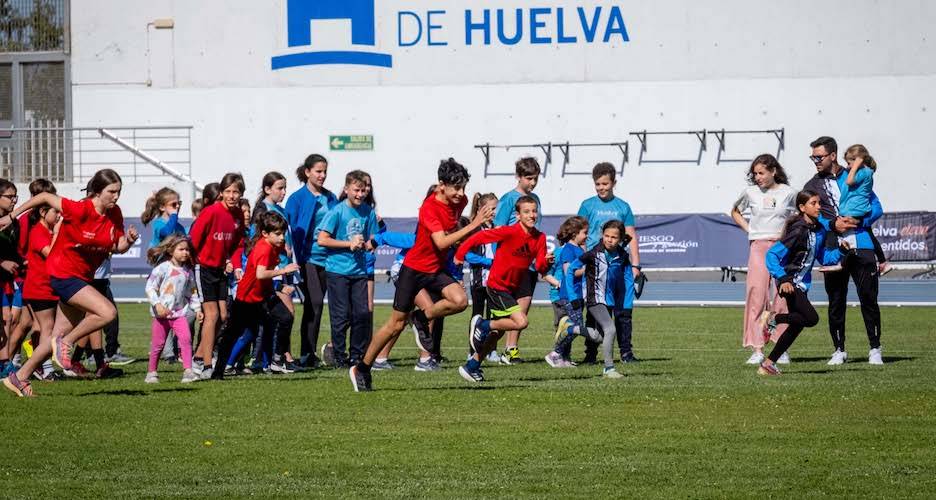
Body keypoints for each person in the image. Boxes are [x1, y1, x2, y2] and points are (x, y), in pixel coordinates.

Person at [349, 158, 494, 392]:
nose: (461, 193)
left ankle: (420, 318)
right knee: (395, 325)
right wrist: (475, 223)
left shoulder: (460, 200)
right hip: (414, 270)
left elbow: (451, 234)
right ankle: (362, 368)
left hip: (435, 269)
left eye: (463, 187)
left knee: (459, 301)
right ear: (441, 185)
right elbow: (441, 240)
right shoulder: (429, 208)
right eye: (456, 187)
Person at [2, 169, 140, 397]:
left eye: (119, 192)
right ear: (97, 192)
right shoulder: (80, 209)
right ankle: (66, 343)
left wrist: (129, 241)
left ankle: (19, 377)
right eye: (111, 191)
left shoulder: (114, 214)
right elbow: (44, 198)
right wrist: (12, 215)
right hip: (63, 274)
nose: (116, 197)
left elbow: (117, 246)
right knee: (107, 312)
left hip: (83, 277)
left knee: (52, 339)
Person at [803, 136, 885, 365]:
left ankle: (875, 348)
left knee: (868, 298)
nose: (815, 161)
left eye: (819, 156)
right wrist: (832, 225)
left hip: (862, 242)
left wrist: (860, 222)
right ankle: (839, 349)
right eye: (813, 157)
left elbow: (877, 207)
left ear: (832, 155)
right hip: (832, 248)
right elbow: (810, 215)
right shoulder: (812, 186)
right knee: (836, 301)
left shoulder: (858, 175)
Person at [455, 195, 553, 383]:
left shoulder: (539, 238)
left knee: (497, 334)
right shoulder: (508, 232)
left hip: (512, 288)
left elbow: (540, 267)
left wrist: (546, 262)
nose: (531, 215)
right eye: (527, 212)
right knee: (521, 322)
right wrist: (460, 254)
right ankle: (482, 324)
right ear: (517, 215)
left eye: (534, 211)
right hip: (497, 286)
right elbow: (479, 238)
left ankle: (472, 366)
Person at [758, 190, 844, 376]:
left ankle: (768, 364)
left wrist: (842, 252)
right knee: (811, 319)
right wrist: (782, 279)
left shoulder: (819, 231)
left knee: (797, 325)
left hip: (802, 284)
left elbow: (824, 257)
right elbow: (772, 255)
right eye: (814, 203)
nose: (819, 207)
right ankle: (774, 318)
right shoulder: (798, 230)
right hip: (790, 283)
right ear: (802, 208)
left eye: (819, 203)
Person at [213, 212, 298, 379]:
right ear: (265, 234)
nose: (282, 237)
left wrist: (279, 286)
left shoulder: (276, 245)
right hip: (247, 299)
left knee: (285, 318)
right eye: (278, 234)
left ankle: (276, 359)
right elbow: (259, 274)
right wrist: (283, 271)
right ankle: (219, 369)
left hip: (264, 295)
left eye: (283, 233)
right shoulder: (264, 248)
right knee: (236, 334)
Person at [730, 154, 797, 365]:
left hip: (782, 247)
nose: (757, 177)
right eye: (755, 174)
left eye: (761, 173)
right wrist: (750, 230)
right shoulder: (750, 192)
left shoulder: (789, 193)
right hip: (758, 247)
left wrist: (790, 233)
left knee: (782, 297)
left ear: (773, 171)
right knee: (756, 295)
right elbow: (734, 211)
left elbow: (799, 213)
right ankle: (757, 348)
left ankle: (780, 347)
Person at [576, 162, 642, 364]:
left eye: (605, 183)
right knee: (596, 308)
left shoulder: (623, 207)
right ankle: (590, 354)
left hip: (619, 265)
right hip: (595, 265)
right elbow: (579, 234)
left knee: (623, 310)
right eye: (598, 184)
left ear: (614, 182)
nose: (601, 188)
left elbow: (631, 235)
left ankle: (626, 353)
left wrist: (635, 265)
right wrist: (584, 259)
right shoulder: (588, 205)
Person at [318, 170, 379, 368]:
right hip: (337, 271)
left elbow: (372, 239)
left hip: (359, 271)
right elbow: (322, 240)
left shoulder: (368, 212)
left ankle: (356, 356)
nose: (360, 194)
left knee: (362, 314)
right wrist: (348, 244)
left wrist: (370, 244)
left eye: (363, 190)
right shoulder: (337, 211)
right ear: (346, 189)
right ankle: (338, 355)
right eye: (356, 190)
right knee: (341, 315)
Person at [189, 173, 246, 379]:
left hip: (221, 270)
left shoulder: (238, 215)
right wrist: (190, 265)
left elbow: (238, 244)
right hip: (203, 267)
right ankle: (206, 366)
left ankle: (197, 357)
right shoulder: (211, 212)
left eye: (236, 192)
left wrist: (236, 265)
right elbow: (194, 241)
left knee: (223, 317)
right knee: (211, 316)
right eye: (228, 192)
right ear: (221, 193)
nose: (232, 196)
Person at [285, 153, 337, 368]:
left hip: (330, 259)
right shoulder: (296, 199)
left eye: (325, 171)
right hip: (306, 258)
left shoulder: (331, 197)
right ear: (307, 172)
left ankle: (313, 353)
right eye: (318, 171)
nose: (322, 175)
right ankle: (305, 353)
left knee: (321, 306)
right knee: (313, 303)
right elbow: (287, 229)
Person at [492, 157, 543, 364]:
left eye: (535, 179)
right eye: (529, 178)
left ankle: (511, 350)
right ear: (518, 177)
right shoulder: (508, 199)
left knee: (524, 306)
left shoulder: (536, 199)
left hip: (528, 263)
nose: (532, 183)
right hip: (509, 265)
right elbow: (497, 231)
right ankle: (486, 344)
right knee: (506, 310)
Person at [249, 171, 301, 373]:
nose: (283, 192)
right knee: (285, 313)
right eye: (280, 188)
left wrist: (287, 250)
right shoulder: (262, 210)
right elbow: (257, 242)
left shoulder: (281, 210)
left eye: (284, 187)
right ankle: (280, 357)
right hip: (273, 269)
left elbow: (286, 239)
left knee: (286, 313)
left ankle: (279, 357)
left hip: (285, 266)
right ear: (267, 189)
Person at [568, 220, 635, 378]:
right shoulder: (592, 254)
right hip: (594, 299)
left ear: (620, 239)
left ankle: (571, 329)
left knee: (600, 336)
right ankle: (609, 368)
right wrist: (573, 296)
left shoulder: (622, 256)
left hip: (610, 300)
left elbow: (628, 279)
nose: (609, 240)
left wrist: (627, 303)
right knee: (611, 329)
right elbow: (571, 270)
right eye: (606, 236)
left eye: (614, 237)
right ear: (602, 235)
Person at [144, 235, 202, 384]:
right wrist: (157, 304)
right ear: (170, 250)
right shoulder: (162, 268)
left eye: (187, 250)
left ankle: (188, 371)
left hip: (179, 314)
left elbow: (192, 291)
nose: (185, 252)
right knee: (158, 345)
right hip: (161, 315)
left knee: (186, 340)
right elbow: (150, 287)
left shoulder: (187, 271)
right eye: (181, 249)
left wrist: (197, 309)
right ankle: (151, 373)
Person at [545, 216, 601, 368]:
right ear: (574, 233)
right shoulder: (569, 250)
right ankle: (555, 353)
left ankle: (562, 358)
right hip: (571, 295)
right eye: (584, 232)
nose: (587, 235)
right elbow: (568, 271)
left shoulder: (578, 249)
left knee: (576, 326)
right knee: (576, 327)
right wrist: (587, 269)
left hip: (577, 294)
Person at [463, 193, 498, 362]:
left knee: (495, 316)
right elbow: (467, 255)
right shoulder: (474, 229)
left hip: (495, 280)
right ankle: (472, 350)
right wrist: (488, 261)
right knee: (477, 316)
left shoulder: (496, 228)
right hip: (479, 281)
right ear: (481, 209)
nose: (494, 212)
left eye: (495, 208)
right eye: (491, 208)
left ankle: (491, 350)